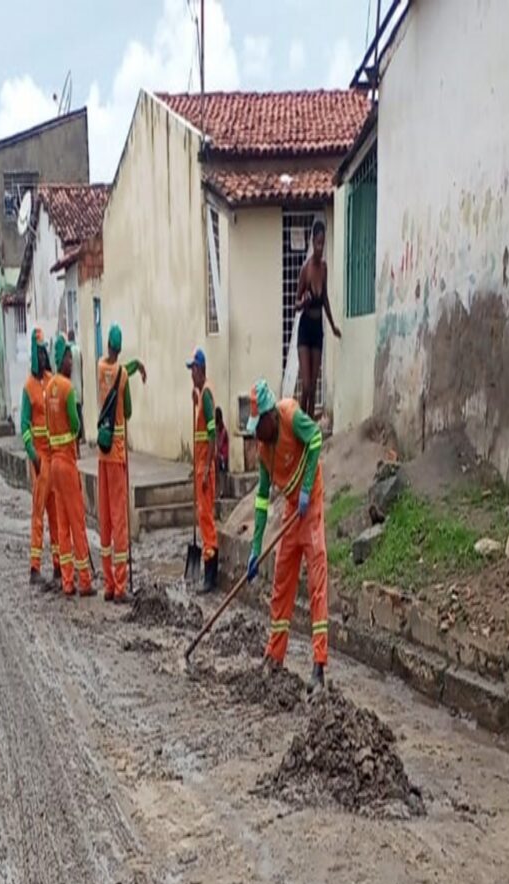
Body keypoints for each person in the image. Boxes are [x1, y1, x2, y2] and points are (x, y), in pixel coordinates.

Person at [244, 378, 328, 691]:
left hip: (311, 505)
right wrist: (255, 548)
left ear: (270, 416)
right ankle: (274, 655)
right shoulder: (263, 452)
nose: (256, 434)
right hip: (292, 511)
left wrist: (307, 489)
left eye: (259, 426)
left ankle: (319, 666)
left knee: (317, 584)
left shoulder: (291, 415)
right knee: (281, 582)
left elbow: (316, 439)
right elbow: (262, 501)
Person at [96, 323, 147, 602]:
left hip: (101, 454)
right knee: (119, 519)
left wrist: (134, 366)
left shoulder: (99, 366)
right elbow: (126, 410)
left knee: (104, 518)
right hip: (116, 453)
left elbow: (116, 368)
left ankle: (107, 583)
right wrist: (134, 369)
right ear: (120, 346)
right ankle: (120, 585)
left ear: (107, 346)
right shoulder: (123, 377)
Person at [45, 335, 95, 597]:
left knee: (62, 525)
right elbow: (76, 425)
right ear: (63, 358)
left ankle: (67, 581)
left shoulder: (48, 388)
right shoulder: (66, 388)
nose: (70, 362)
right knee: (77, 521)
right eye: (68, 358)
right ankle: (84, 580)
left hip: (53, 463)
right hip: (66, 461)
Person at [19, 328, 61, 587]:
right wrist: (32, 454)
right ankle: (35, 567)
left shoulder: (51, 381)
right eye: (41, 352)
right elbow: (24, 425)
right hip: (40, 458)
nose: (45, 357)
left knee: (56, 512)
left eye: (46, 352)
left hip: (55, 455)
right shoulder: (28, 388)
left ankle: (59, 564)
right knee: (39, 512)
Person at [294, 219, 341, 418]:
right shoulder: (306, 270)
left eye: (324, 243)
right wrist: (303, 302)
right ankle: (300, 422)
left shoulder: (324, 268)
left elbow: (326, 299)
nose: (321, 247)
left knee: (313, 386)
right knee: (305, 385)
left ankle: (309, 429)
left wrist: (332, 325)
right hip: (305, 328)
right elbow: (295, 304)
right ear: (312, 241)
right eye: (318, 243)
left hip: (318, 328)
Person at [187, 347, 218, 593]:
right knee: (202, 515)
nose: (191, 375)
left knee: (206, 518)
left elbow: (212, 434)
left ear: (200, 370)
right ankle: (208, 572)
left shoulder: (207, 396)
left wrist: (207, 467)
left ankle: (210, 576)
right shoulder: (202, 395)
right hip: (200, 467)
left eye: (192, 370)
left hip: (204, 468)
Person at [215, 406, 229, 473]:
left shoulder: (223, 431)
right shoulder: (218, 429)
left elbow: (219, 445)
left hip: (223, 458)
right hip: (220, 457)